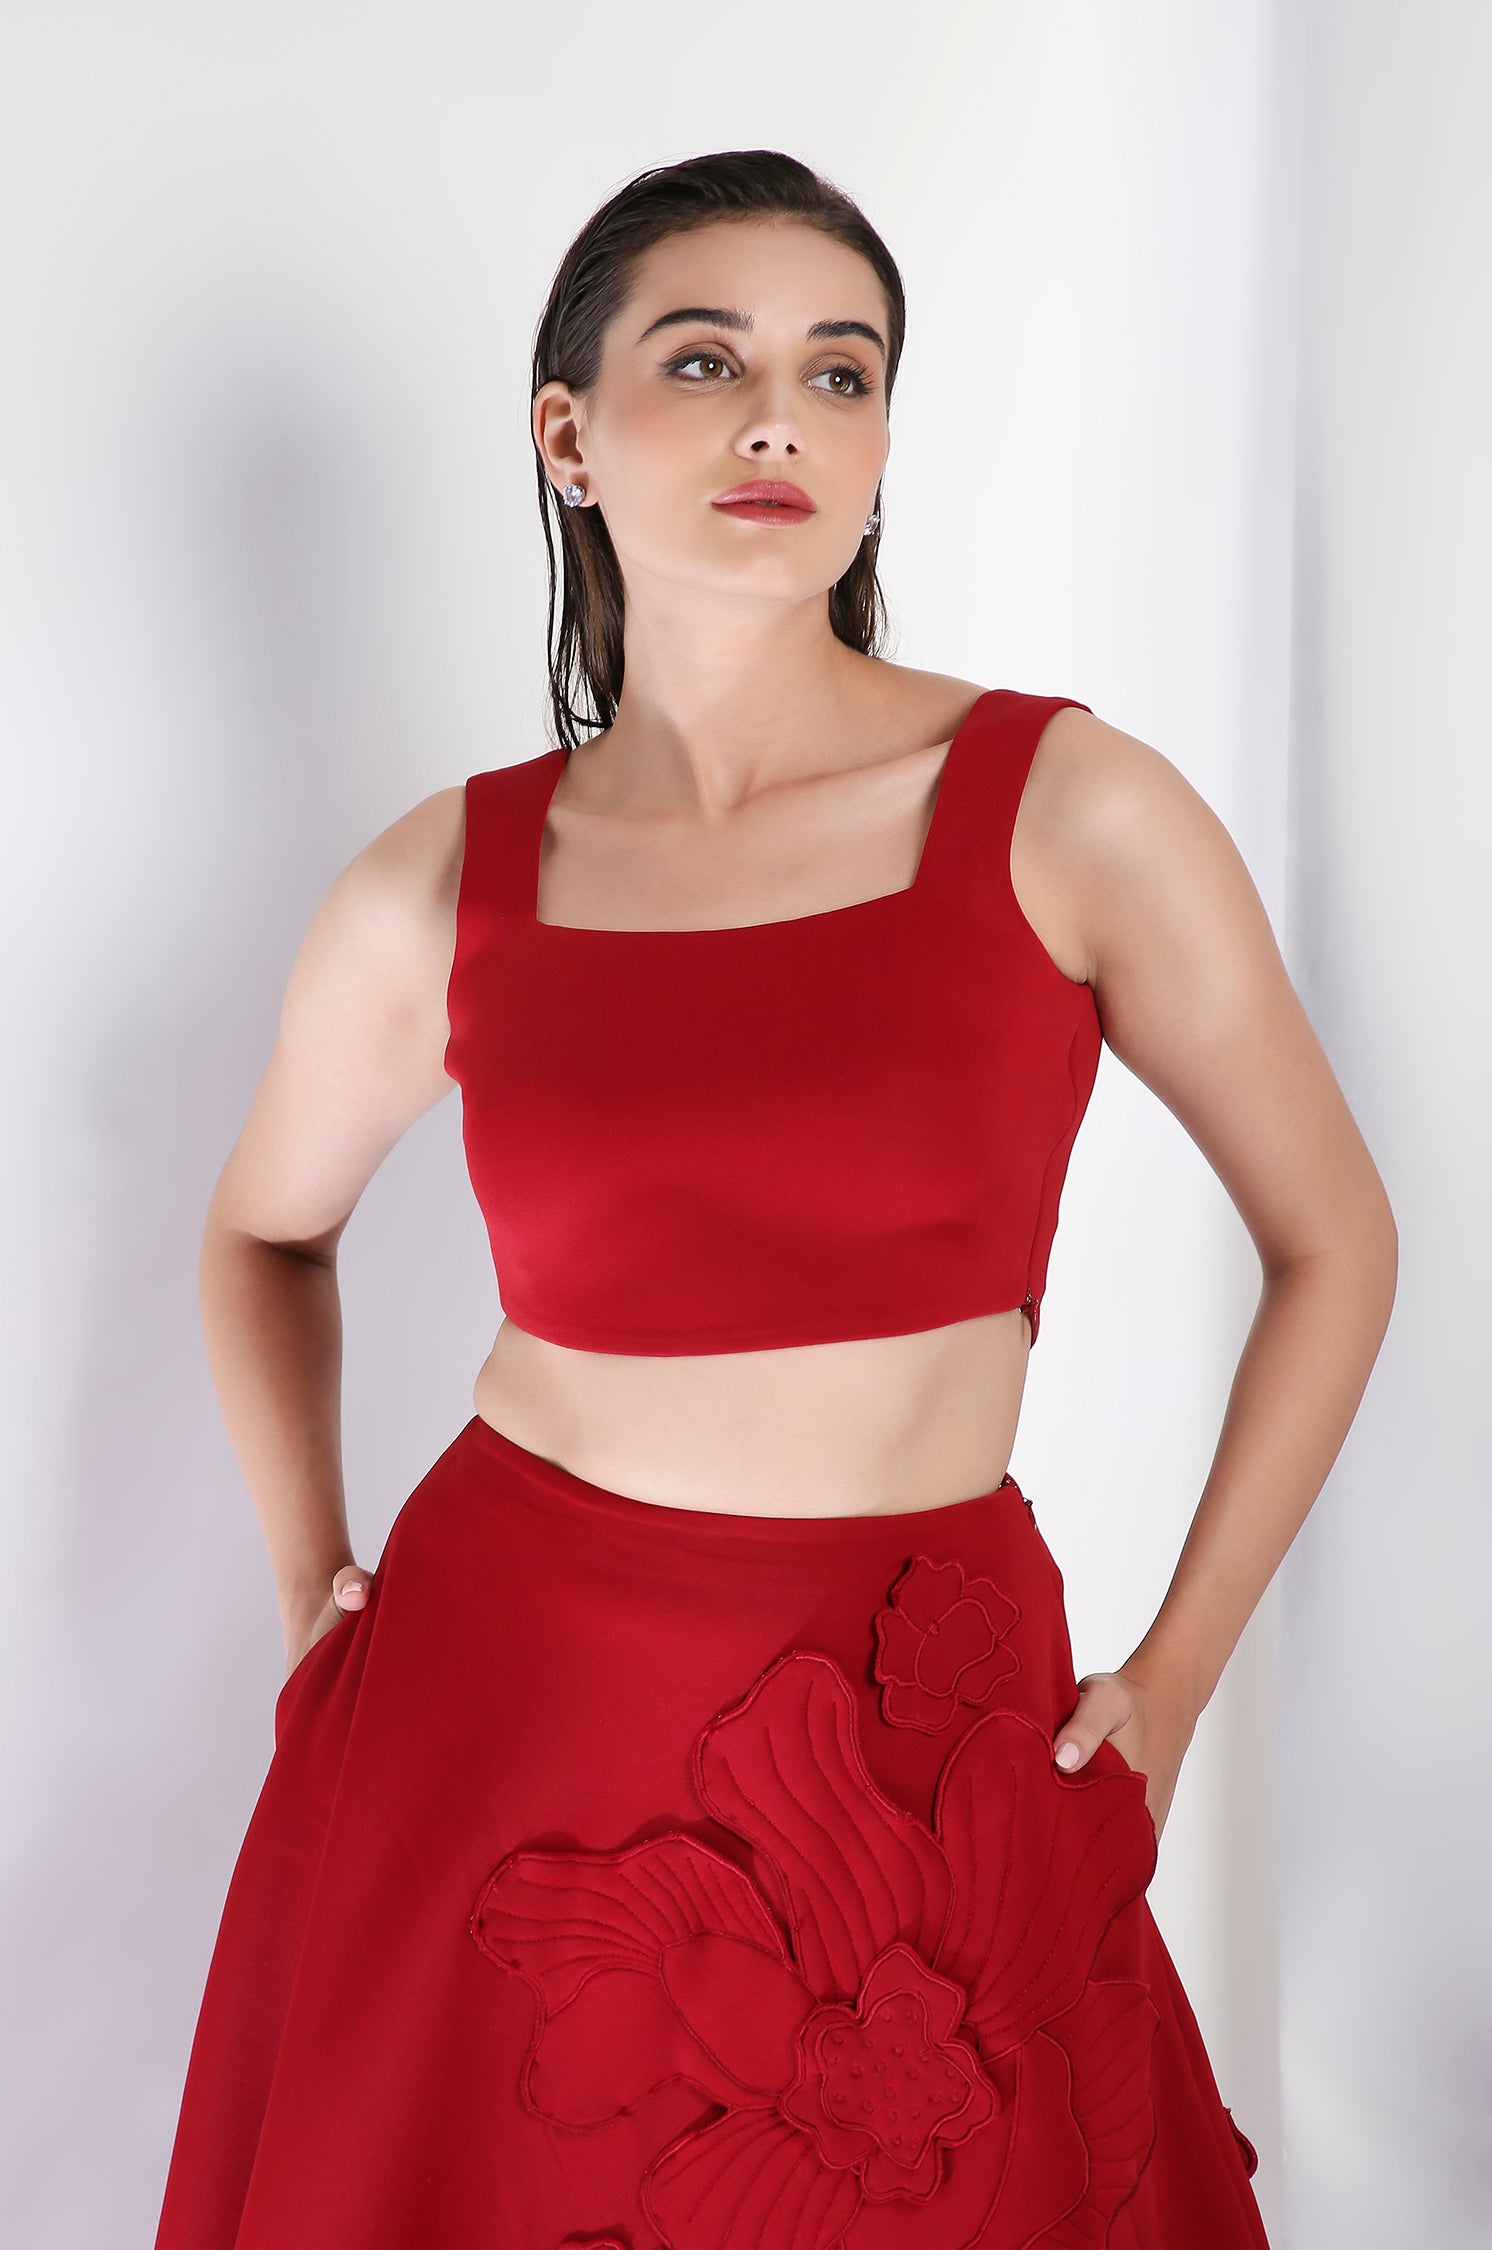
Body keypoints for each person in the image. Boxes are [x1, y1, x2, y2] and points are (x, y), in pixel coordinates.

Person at [153, 150, 1396, 2250]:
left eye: (840, 372)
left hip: (923, 1720)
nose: (776, 421)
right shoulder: (442, 885)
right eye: (705, 360)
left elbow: (1335, 1242)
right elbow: (263, 1232)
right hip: (499, 1706)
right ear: (567, 439)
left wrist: (1176, 1679)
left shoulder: (1070, 809)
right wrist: (310, 1588)